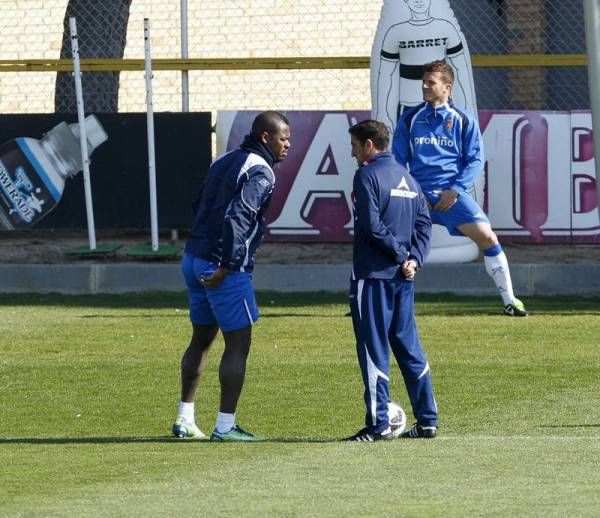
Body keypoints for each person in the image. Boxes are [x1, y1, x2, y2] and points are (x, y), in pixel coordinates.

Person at [172, 111, 291, 441]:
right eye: (283, 139)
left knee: (201, 339)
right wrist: (227, 264)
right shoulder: (261, 170)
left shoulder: (222, 161)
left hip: (194, 257)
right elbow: (238, 216)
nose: (288, 145)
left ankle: (184, 418)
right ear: (265, 137)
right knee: (238, 342)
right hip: (223, 266)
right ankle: (225, 427)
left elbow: (199, 204)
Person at [392, 60, 528, 317]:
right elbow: (398, 160)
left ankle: (510, 301)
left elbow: (475, 160)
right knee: (389, 244)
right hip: (416, 196)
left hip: (452, 197)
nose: (424, 86)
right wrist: (412, 190)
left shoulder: (464, 119)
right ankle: (374, 301)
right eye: (423, 81)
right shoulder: (410, 117)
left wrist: (454, 190)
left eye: (430, 82)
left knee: (488, 239)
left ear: (447, 87)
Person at [345, 119, 438, 441]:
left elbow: (371, 226)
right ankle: (427, 420)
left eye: (355, 146)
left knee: (374, 349)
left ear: (369, 145)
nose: (353, 152)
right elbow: (425, 224)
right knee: (409, 347)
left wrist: (401, 256)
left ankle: (378, 424)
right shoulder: (409, 179)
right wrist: (414, 259)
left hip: (373, 276)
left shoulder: (366, 175)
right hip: (404, 279)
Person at [372, 0, 477, 133]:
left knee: (443, 149)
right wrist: (383, 113)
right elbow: (386, 74)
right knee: (409, 151)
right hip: (408, 106)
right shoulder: (394, 31)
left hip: (441, 105)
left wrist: (467, 108)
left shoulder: (446, 27)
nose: (419, 1)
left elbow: (460, 69)